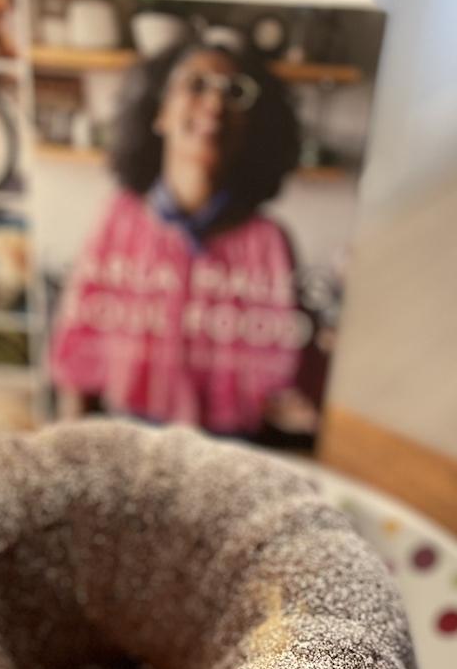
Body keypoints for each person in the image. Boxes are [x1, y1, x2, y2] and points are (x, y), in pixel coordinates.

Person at [48, 38, 320, 438]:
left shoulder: (268, 241)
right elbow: (77, 358)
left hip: (229, 450)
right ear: (160, 112)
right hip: (129, 438)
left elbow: (285, 381)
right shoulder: (118, 219)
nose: (215, 103)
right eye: (196, 85)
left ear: (250, 125)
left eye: (234, 93)